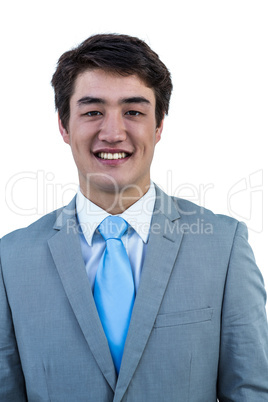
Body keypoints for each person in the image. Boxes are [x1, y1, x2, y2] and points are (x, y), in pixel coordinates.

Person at [0, 33, 267, 402]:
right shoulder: (10, 259)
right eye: (93, 111)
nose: (112, 133)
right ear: (63, 125)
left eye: (133, 112)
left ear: (158, 127)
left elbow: (252, 392)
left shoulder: (225, 246)